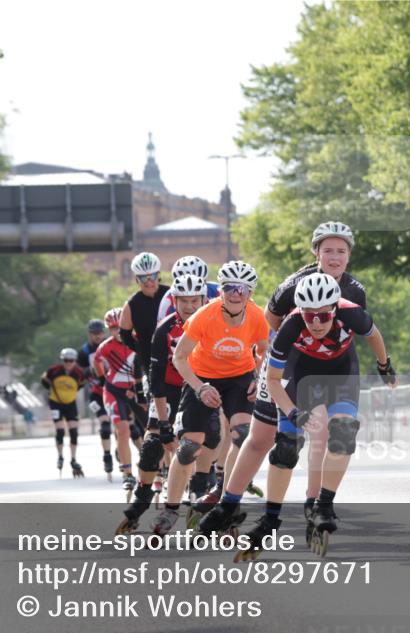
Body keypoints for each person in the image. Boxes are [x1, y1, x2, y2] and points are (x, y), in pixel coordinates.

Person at [200, 272, 395, 558]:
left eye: (323, 317)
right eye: (309, 316)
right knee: (286, 449)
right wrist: (293, 412)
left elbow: (374, 336)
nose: (316, 323)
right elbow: (274, 380)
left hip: (341, 373)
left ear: (335, 310)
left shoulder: (352, 314)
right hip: (297, 372)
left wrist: (383, 365)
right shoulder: (291, 325)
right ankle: (269, 520)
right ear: (300, 311)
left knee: (343, 436)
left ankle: (324, 505)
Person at [223, 221, 367, 521]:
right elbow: (267, 324)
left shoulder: (354, 290)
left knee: (326, 432)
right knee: (262, 438)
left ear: (349, 256)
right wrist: (269, 363)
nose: (335, 257)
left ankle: (314, 502)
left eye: (341, 251)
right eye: (328, 250)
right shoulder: (292, 286)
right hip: (287, 358)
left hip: (328, 363)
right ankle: (228, 502)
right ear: (317, 253)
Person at [150, 260, 270, 535]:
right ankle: (170, 509)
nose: (236, 293)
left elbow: (265, 351)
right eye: (229, 287)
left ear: (250, 293)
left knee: (242, 433)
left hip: (240, 377)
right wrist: (200, 387)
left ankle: (224, 492)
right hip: (202, 376)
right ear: (220, 291)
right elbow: (179, 358)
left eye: (243, 288)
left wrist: (258, 378)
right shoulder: (204, 315)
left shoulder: (256, 316)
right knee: (190, 446)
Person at [116, 272, 209, 534]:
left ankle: (201, 491)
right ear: (175, 300)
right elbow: (156, 381)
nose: (190, 307)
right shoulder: (165, 329)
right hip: (168, 388)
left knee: (200, 443)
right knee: (153, 444)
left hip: (200, 387)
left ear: (204, 299)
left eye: (195, 301)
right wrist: (164, 423)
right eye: (184, 301)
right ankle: (142, 496)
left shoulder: (213, 323)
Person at [95, 307, 147, 497]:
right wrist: (103, 379)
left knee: (150, 429)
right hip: (114, 391)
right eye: (113, 329)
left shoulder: (137, 342)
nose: (118, 332)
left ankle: (159, 469)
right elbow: (97, 363)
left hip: (136, 390)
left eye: (120, 328)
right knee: (123, 428)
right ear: (109, 329)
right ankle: (127, 474)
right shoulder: (105, 347)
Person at [118, 252, 169, 437]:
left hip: (175, 361)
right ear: (137, 279)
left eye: (153, 276)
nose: (149, 281)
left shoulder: (170, 294)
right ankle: (159, 461)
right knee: (157, 421)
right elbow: (124, 333)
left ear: (159, 275)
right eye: (143, 278)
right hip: (151, 365)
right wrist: (140, 350)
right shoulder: (132, 304)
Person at [41, 348, 87, 478]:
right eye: (66, 360)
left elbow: (81, 385)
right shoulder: (54, 370)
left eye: (71, 361)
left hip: (70, 404)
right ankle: (60, 456)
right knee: (60, 431)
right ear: (63, 360)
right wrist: (51, 390)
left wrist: (70, 393)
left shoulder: (79, 373)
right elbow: (44, 380)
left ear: (75, 361)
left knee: (73, 431)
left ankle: (73, 458)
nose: (68, 363)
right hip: (56, 402)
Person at [79, 318, 115, 480]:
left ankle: (119, 450)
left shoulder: (109, 346)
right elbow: (79, 373)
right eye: (94, 334)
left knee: (126, 427)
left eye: (100, 333)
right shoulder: (84, 352)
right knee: (105, 425)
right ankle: (107, 456)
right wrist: (89, 371)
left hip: (113, 391)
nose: (97, 337)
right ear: (89, 334)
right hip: (95, 394)